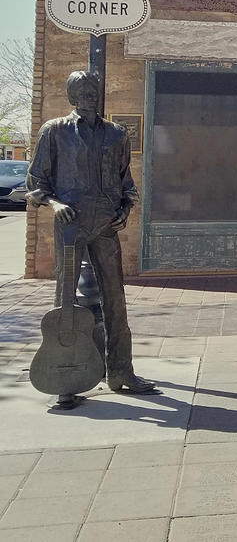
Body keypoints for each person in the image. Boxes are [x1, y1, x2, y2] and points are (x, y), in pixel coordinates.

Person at [27, 71, 157, 408]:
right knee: (65, 300)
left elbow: (126, 182)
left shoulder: (116, 134)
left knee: (116, 299)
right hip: (71, 221)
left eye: (92, 90)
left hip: (106, 223)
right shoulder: (54, 131)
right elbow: (36, 183)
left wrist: (126, 209)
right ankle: (64, 380)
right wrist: (54, 204)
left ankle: (121, 371)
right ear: (71, 95)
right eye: (81, 90)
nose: (88, 95)